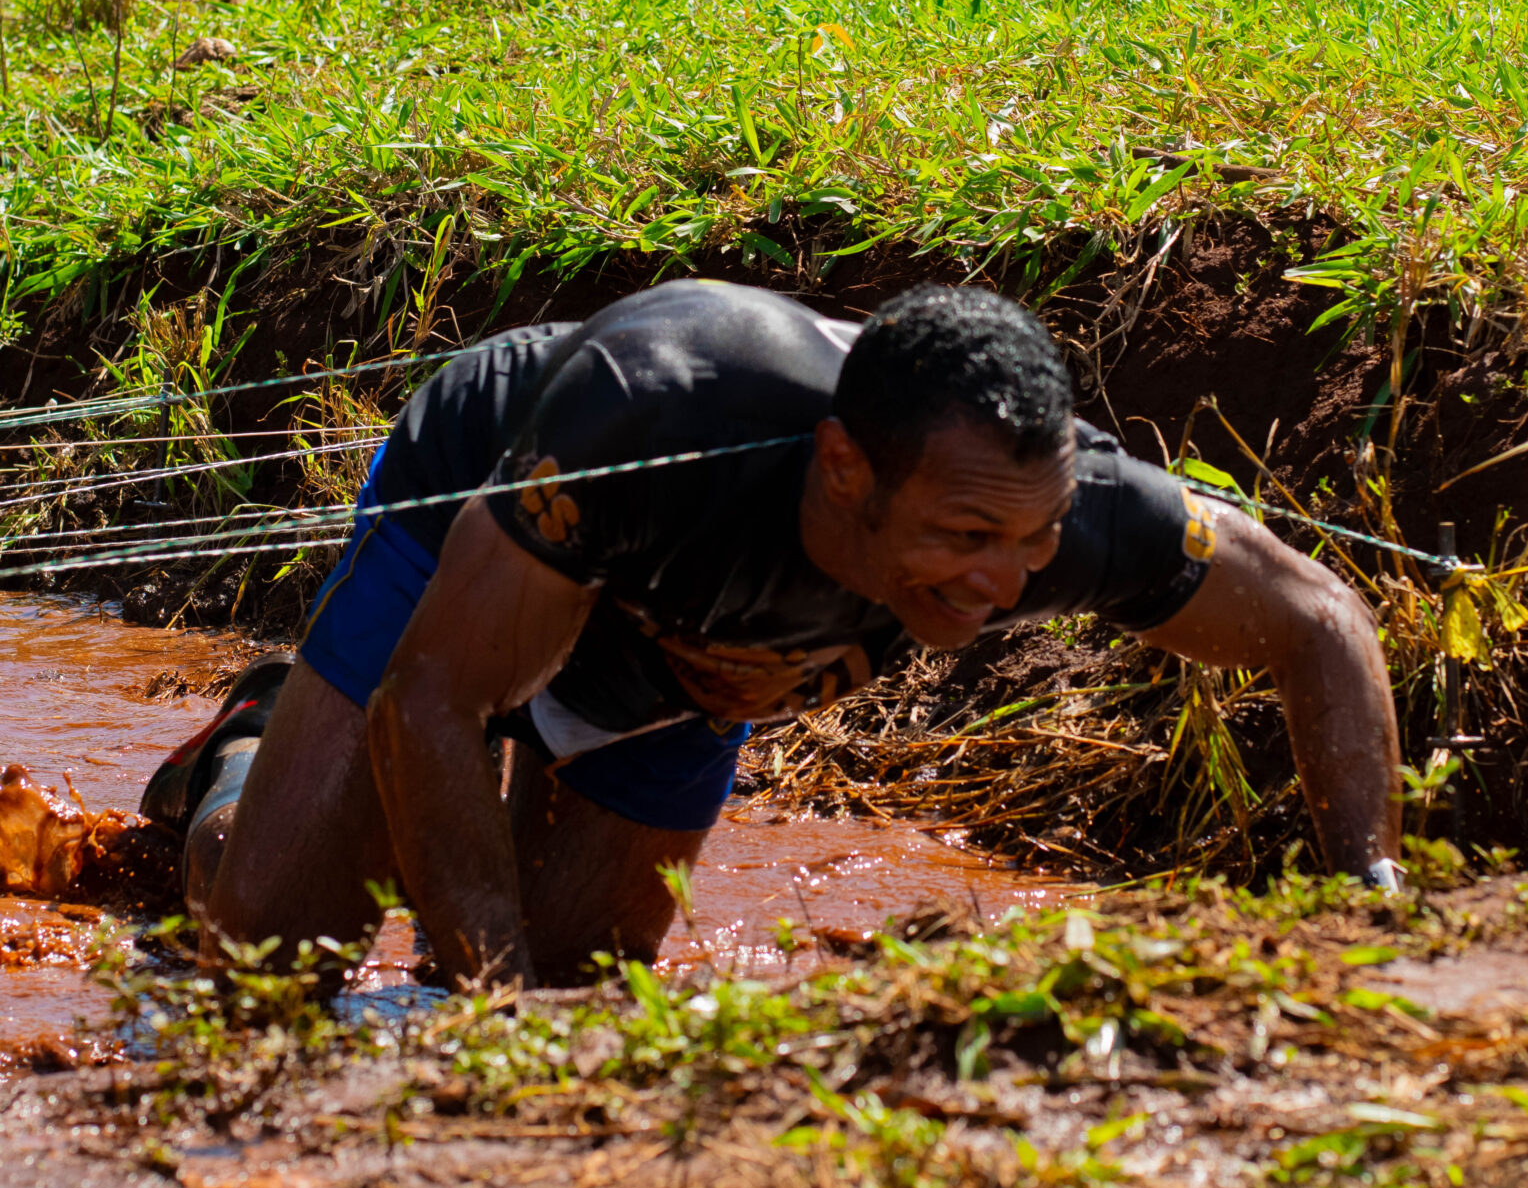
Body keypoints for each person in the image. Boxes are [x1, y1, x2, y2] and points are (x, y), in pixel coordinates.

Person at [144, 279, 1404, 988]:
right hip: (487, 527)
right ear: (846, 468)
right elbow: (430, 699)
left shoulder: (1062, 515)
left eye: (1033, 541)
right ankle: (246, 756)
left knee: (585, 996)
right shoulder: (651, 407)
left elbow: (1320, 618)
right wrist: (487, 1007)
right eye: (965, 537)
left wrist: (1370, 900)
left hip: (681, 649)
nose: (1000, 582)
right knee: (268, 970)